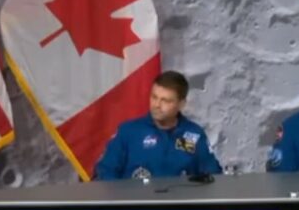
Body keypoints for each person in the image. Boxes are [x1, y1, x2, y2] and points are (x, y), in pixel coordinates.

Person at [94, 71, 222, 180]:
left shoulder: (194, 135)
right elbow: (105, 173)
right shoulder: (128, 132)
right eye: (154, 97)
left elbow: (213, 177)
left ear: (181, 104)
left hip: (181, 202)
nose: (157, 105)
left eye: (165, 100)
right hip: (135, 202)